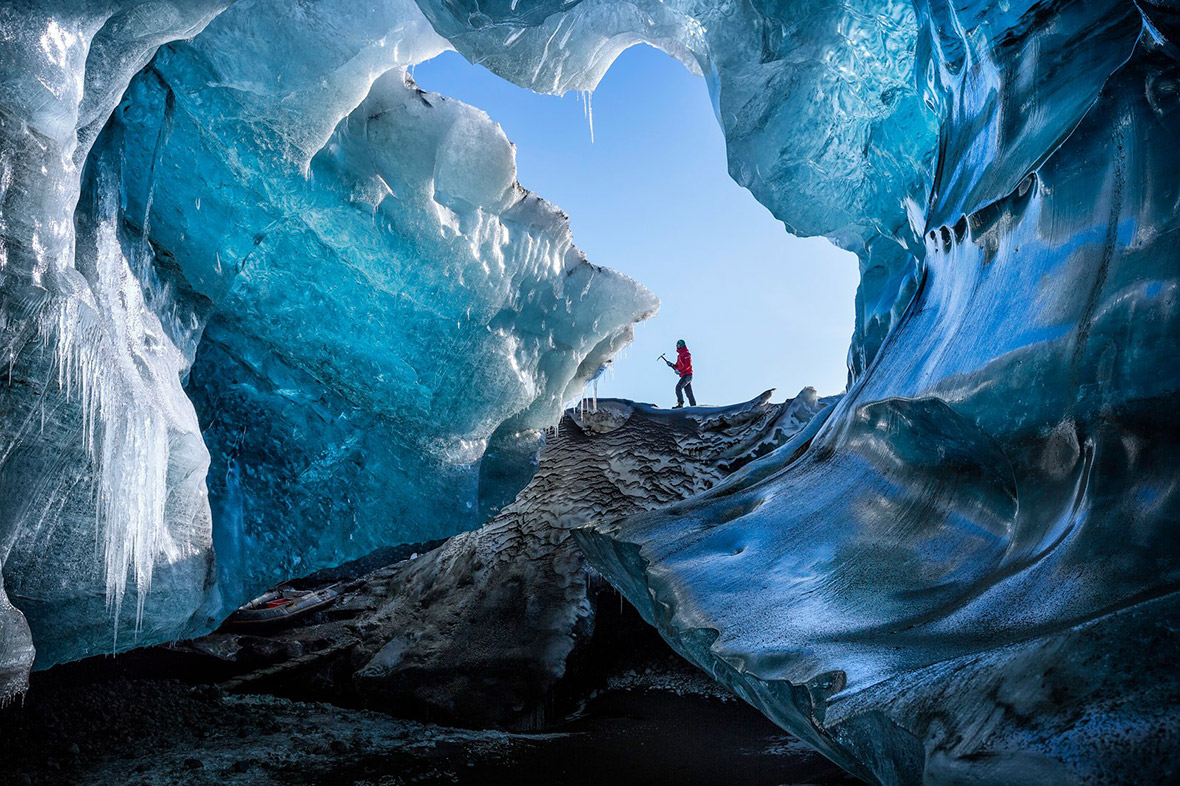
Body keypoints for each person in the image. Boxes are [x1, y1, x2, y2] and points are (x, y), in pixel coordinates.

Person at [664, 339, 696, 408]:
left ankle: (680, 404)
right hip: (684, 375)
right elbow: (677, 366)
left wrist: (680, 371)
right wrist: (671, 365)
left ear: (681, 345)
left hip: (687, 375)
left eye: (678, 345)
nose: (676, 346)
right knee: (688, 392)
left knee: (678, 387)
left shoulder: (686, 354)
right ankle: (694, 406)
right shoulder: (679, 356)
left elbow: (688, 366)